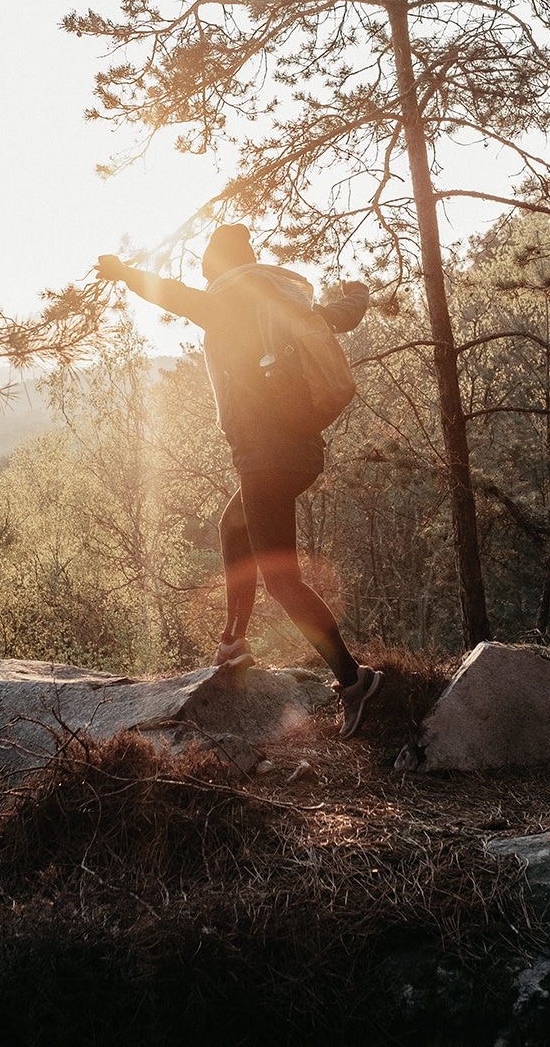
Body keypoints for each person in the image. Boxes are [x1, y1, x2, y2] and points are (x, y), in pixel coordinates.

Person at [95, 224, 384, 737]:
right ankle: (234, 643)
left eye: (208, 262)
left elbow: (173, 295)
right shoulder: (284, 303)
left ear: (221, 265)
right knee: (234, 527)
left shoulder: (226, 302)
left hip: (266, 457)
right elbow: (344, 314)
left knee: (282, 580)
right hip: (300, 450)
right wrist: (359, 290)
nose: (203, 271)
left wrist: (122, 273)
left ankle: (353, 680)